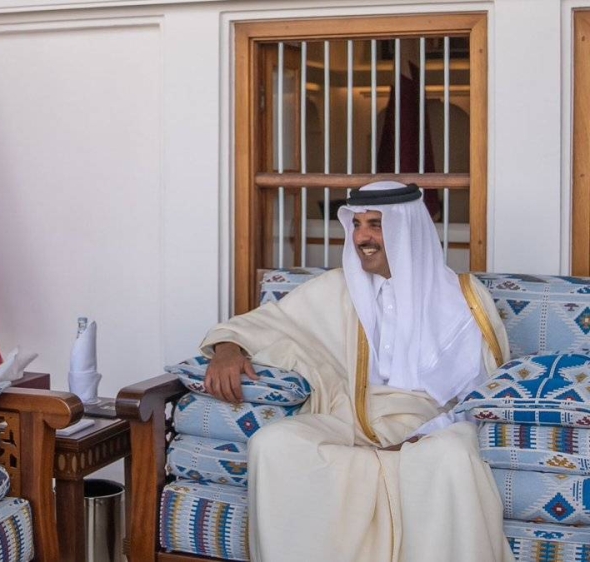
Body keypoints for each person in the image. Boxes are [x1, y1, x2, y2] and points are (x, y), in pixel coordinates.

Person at [202, 181, 512, 562]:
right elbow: (268, 323)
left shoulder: (462, 297)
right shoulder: (338, 288)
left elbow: (481, 397)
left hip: (429, 428)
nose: (362, 237)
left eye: (375, 225)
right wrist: (228, 348)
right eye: (357, 224)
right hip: (349, 416)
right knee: (273, 444)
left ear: (405, 228)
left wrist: (418, 438)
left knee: (451, 457)